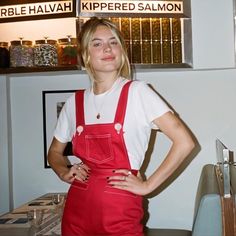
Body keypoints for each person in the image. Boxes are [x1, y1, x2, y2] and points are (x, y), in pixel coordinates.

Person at [47, 17, 195, 236]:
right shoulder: (73, 103)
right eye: (97, 43)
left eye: (113, 42)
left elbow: (185, 142)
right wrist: (64, 171)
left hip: (120, 211)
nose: (107, 48)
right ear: (86, 55)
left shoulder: (138, 92)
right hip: (76, 211)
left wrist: (147, 186)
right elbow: (54, 152)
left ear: (121, 49)